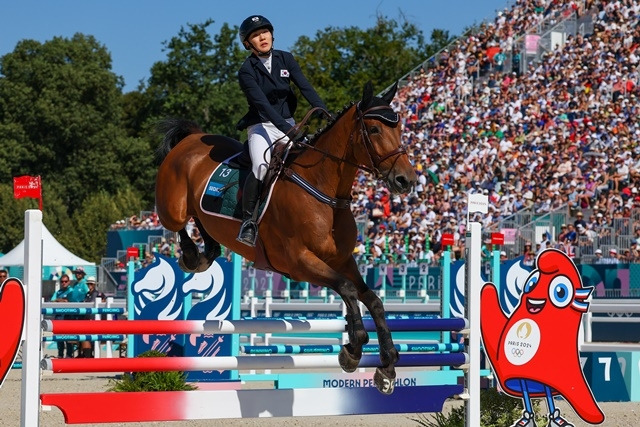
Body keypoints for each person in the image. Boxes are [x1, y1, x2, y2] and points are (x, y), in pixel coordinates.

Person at [235, 15, 328, 246]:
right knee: (261, 165)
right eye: (256, 35)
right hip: (261, 126)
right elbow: (263, 106)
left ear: (271, 34)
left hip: (288, 123)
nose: (262, 37)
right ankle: (249, 222)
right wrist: (288, 130)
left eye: (264, 32)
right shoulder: (246, 70)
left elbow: (305, 87)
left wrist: (324, 111)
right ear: (248, 43)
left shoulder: (286, 59)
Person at [79, 276, 105, 358]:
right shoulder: (87, 294)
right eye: (88, 284)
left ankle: (88, 355)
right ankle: (87, 355)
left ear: (94, 285)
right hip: (88, 319)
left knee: (87, 336)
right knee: (84, 336)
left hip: (94, 320)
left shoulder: (98, 294)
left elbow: (104, 302)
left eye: (91, 284)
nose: (89, 285)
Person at [51, 274, 74, 358]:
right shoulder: (58, 292)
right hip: (59, 317)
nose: (64, 283)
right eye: (62, 281)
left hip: (68, 317)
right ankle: (60, 354)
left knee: (68, 337)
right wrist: (60, 300)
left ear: (69, 282)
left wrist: (59, 300)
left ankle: (69, 354)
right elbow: (52, 300)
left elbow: (70, 301)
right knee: (59, 338)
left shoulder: (71, 290)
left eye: (65, 281)